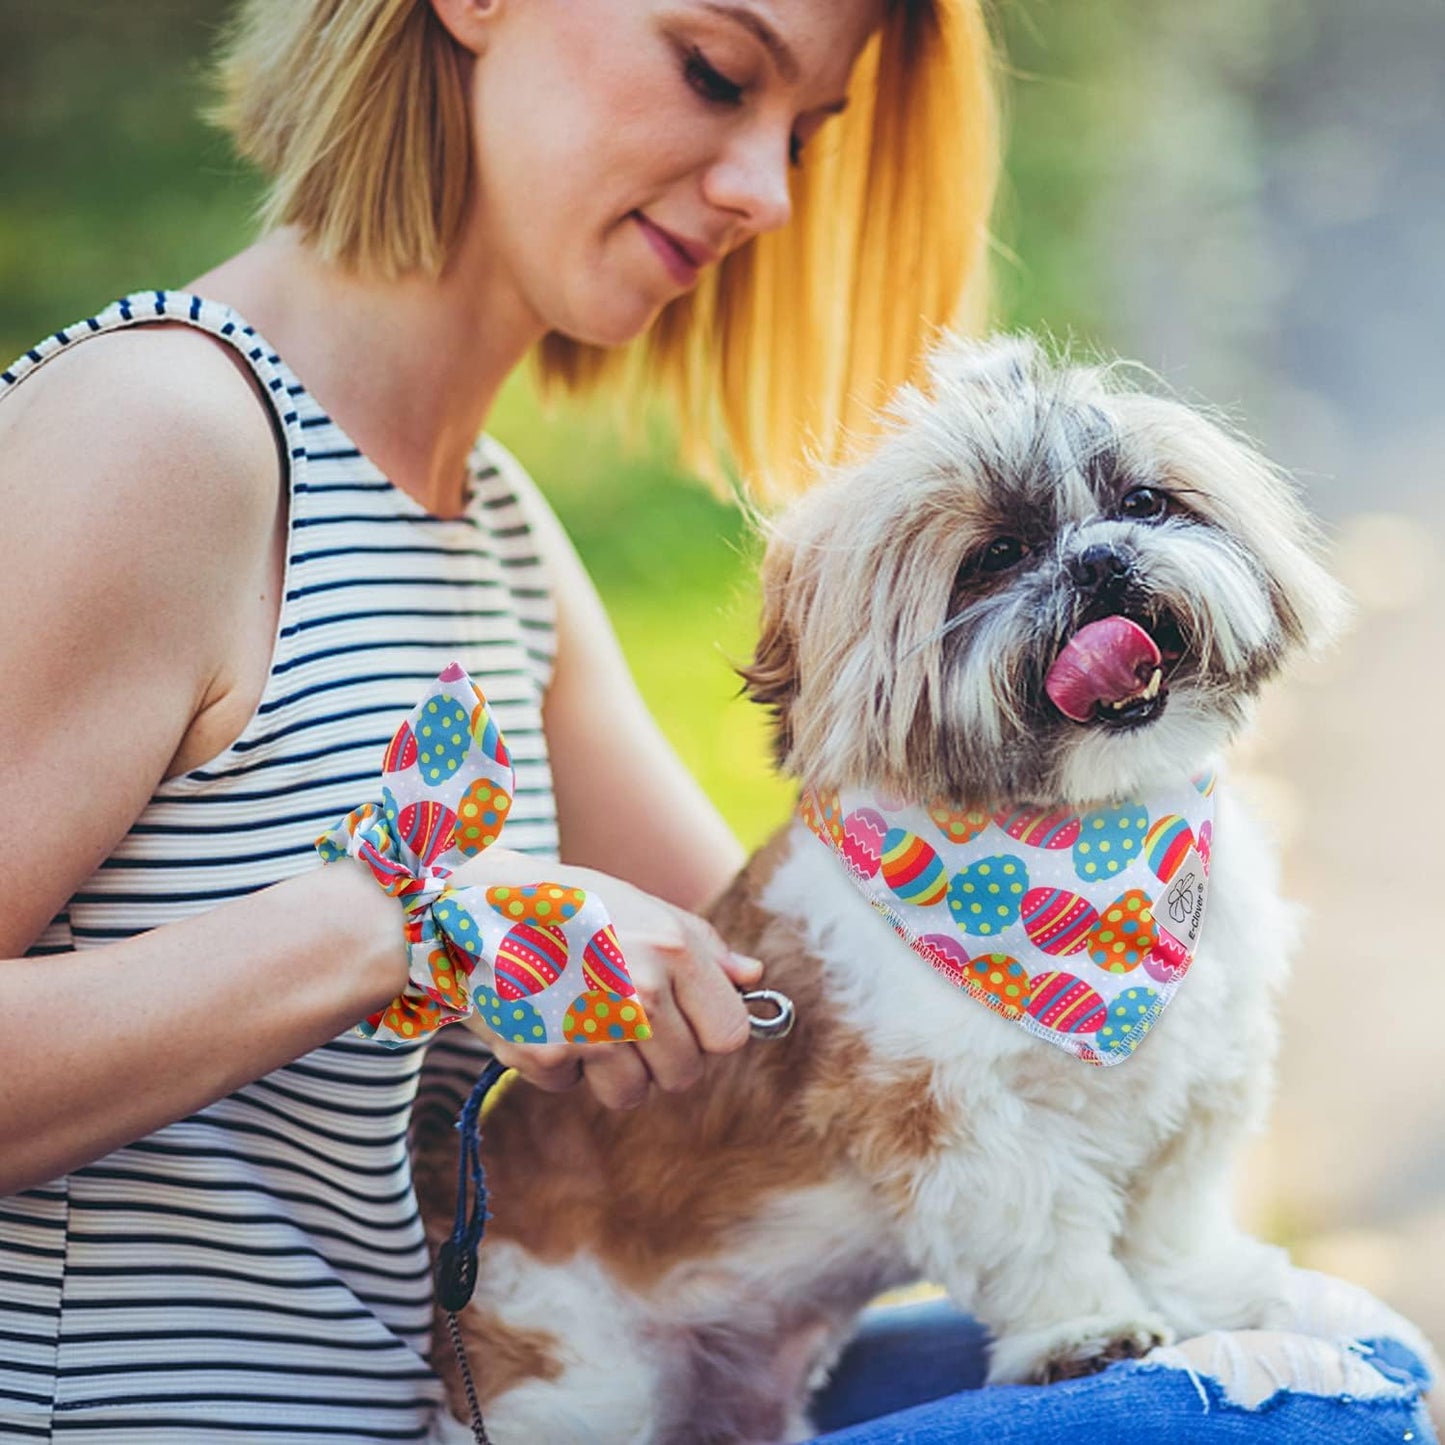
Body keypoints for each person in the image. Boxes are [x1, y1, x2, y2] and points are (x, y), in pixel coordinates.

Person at [0, 1, 1434, 1442]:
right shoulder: (160, 437)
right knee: (1285, 1419)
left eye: (807, 130)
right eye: (714, 72)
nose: (767, 190)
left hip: (485, 1396)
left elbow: (793, 975)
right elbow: (483, 920)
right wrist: (399, 925)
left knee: (1331, 1358)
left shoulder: (491, 530)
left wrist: (1108, 810)